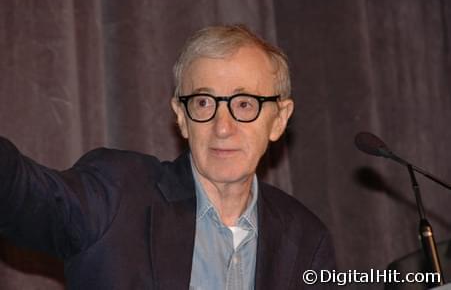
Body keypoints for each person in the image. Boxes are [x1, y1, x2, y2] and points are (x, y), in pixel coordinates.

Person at [0, 24, 335, 289]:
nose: (222, 127)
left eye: (244, 104)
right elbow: (27, 195)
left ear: (278, 119)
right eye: (203, 103)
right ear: (181, 116)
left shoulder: (305, 239)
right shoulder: (118, 194)